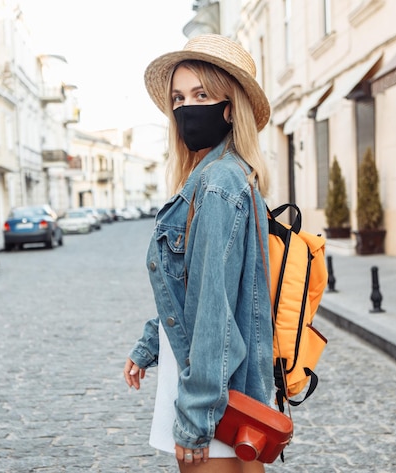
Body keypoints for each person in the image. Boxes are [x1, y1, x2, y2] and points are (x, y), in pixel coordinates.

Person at [123, 34, 274, 473]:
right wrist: (151, 343)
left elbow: (214, 309)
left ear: (230, 107)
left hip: (209, 386)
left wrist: (196, 417)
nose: (186, 107)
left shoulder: (218, 184)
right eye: (178, 97)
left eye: (201, 94)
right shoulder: (227, 176)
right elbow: (196, 287)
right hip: (224, 381)